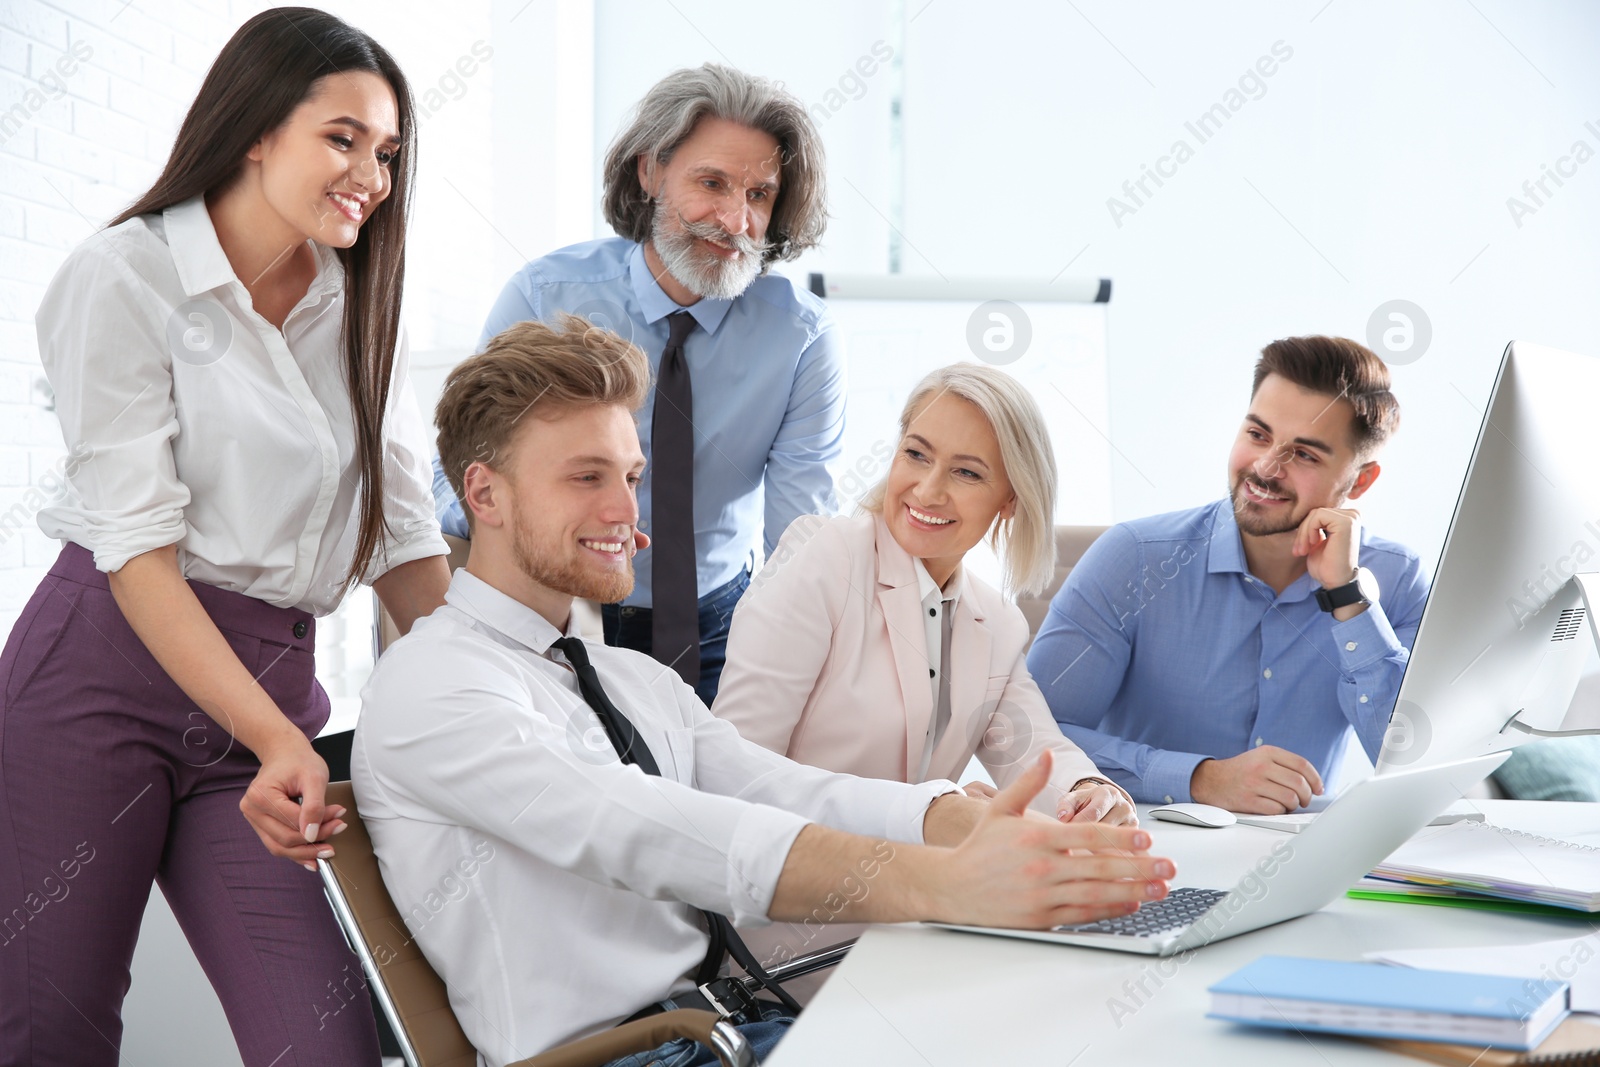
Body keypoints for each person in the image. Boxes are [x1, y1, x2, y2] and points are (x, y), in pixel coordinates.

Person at [358, 317, 1173, 1067]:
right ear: (484, 493)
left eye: (630, 476)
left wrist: (960, 821)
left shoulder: (630, 679)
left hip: (728, 1028)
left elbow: (785, 788)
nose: (627, 513)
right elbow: (642, 829)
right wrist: (941, 879)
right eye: (585, 477)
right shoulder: (436, 685)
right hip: (634, 1051)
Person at [0, 10, 450, 1064]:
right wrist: (282, 736)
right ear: (256, 129)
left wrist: (485, 702)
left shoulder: (359, 298)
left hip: (267, 695)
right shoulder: (123, 275)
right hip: (101, 672)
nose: (372, 174)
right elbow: (138, 553)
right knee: (48, 1033)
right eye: (342, 138)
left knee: (327, 1042)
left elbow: (405, 540)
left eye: (385, 152)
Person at [435, 62, 843, 705]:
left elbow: (802, 535)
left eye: (759, 195)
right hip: (557, 615)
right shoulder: (547, 296)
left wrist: (803, 660)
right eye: (711, 183)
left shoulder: (800, 337)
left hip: (722, 628)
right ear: (650, 172)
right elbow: (457, 474)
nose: (736, 221)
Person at [715, 364, 1134, 822]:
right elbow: (736, 768)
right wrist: (937, 811)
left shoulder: (995, 620)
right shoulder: (827, 556)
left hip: (904, 881)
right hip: (789, 871)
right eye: (916, 454)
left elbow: (1031, 747)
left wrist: (1088, 791)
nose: (929, 491)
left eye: (967, 473)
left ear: (1011, 500)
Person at [1028, 336, 1428, 814]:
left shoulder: (1397, 579)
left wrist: (1347, 597)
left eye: (1304, 455)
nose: (1265, 467)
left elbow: (1415, 765)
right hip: (1146, 854)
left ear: (1360, 480)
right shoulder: (1133, 559)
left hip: (1304, 863)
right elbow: (1030, 742)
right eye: (1258, 435)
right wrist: (1200, 778)